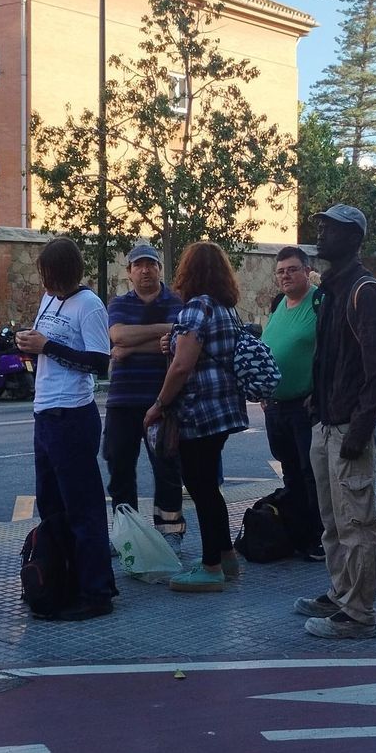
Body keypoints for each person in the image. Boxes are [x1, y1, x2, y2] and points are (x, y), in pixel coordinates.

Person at [293, 205, 376, 640]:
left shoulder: (364, 290)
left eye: (329, 227)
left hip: (348, 428)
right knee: (333, 520)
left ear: (352, 237)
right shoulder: (332, 289)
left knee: (356, 523)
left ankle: (359, 614)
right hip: (327, 422)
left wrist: (359, 428)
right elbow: (332, 357)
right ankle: (340, 594)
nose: (320, 232)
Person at [18, 237, 115, 620]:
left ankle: (97, 592)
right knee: (51, 504)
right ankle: (62, 578)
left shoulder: (88, 305)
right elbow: (46, 345)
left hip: (73, 415)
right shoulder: (50, 299)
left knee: (83, 508)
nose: (45, 282)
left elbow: (99, 362)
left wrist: (47, 347)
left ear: (66, 272)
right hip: (45, 412)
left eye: (50, 275)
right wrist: (29, 343)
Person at [146, 242, 249, 593]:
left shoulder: (195, 309)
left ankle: (210, 567)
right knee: (209, 487)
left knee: (201, 489)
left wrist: (159, 404)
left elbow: (182, 366)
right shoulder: (225, 309)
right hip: (222, 410)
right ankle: (226, 557)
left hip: (198, 411)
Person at [104, 244, 185, 543]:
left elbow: (178, 343)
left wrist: (131, 346)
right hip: (122, 403)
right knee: (120, 469)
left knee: (167, 469)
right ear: (129, 272)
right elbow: (118, 335)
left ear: (160, 269)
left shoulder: (176, 302)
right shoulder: (119, 304)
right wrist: (162, 333)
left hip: (163, 400)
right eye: (138, 265)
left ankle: (169, 535)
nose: (145, 270)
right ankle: (128, 536)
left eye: (151, 264)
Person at [261, 246, 324, 561]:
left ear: (307, 270)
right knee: (290, 473)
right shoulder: (278, 304)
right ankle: (299, 532)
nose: (286, 275)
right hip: (275, 406)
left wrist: (321, 389)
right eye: (281, 271)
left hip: (305, 407)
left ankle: (319, 537)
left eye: (292, 269)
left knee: (311, 473)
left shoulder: (320, 302)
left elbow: (334, 350)